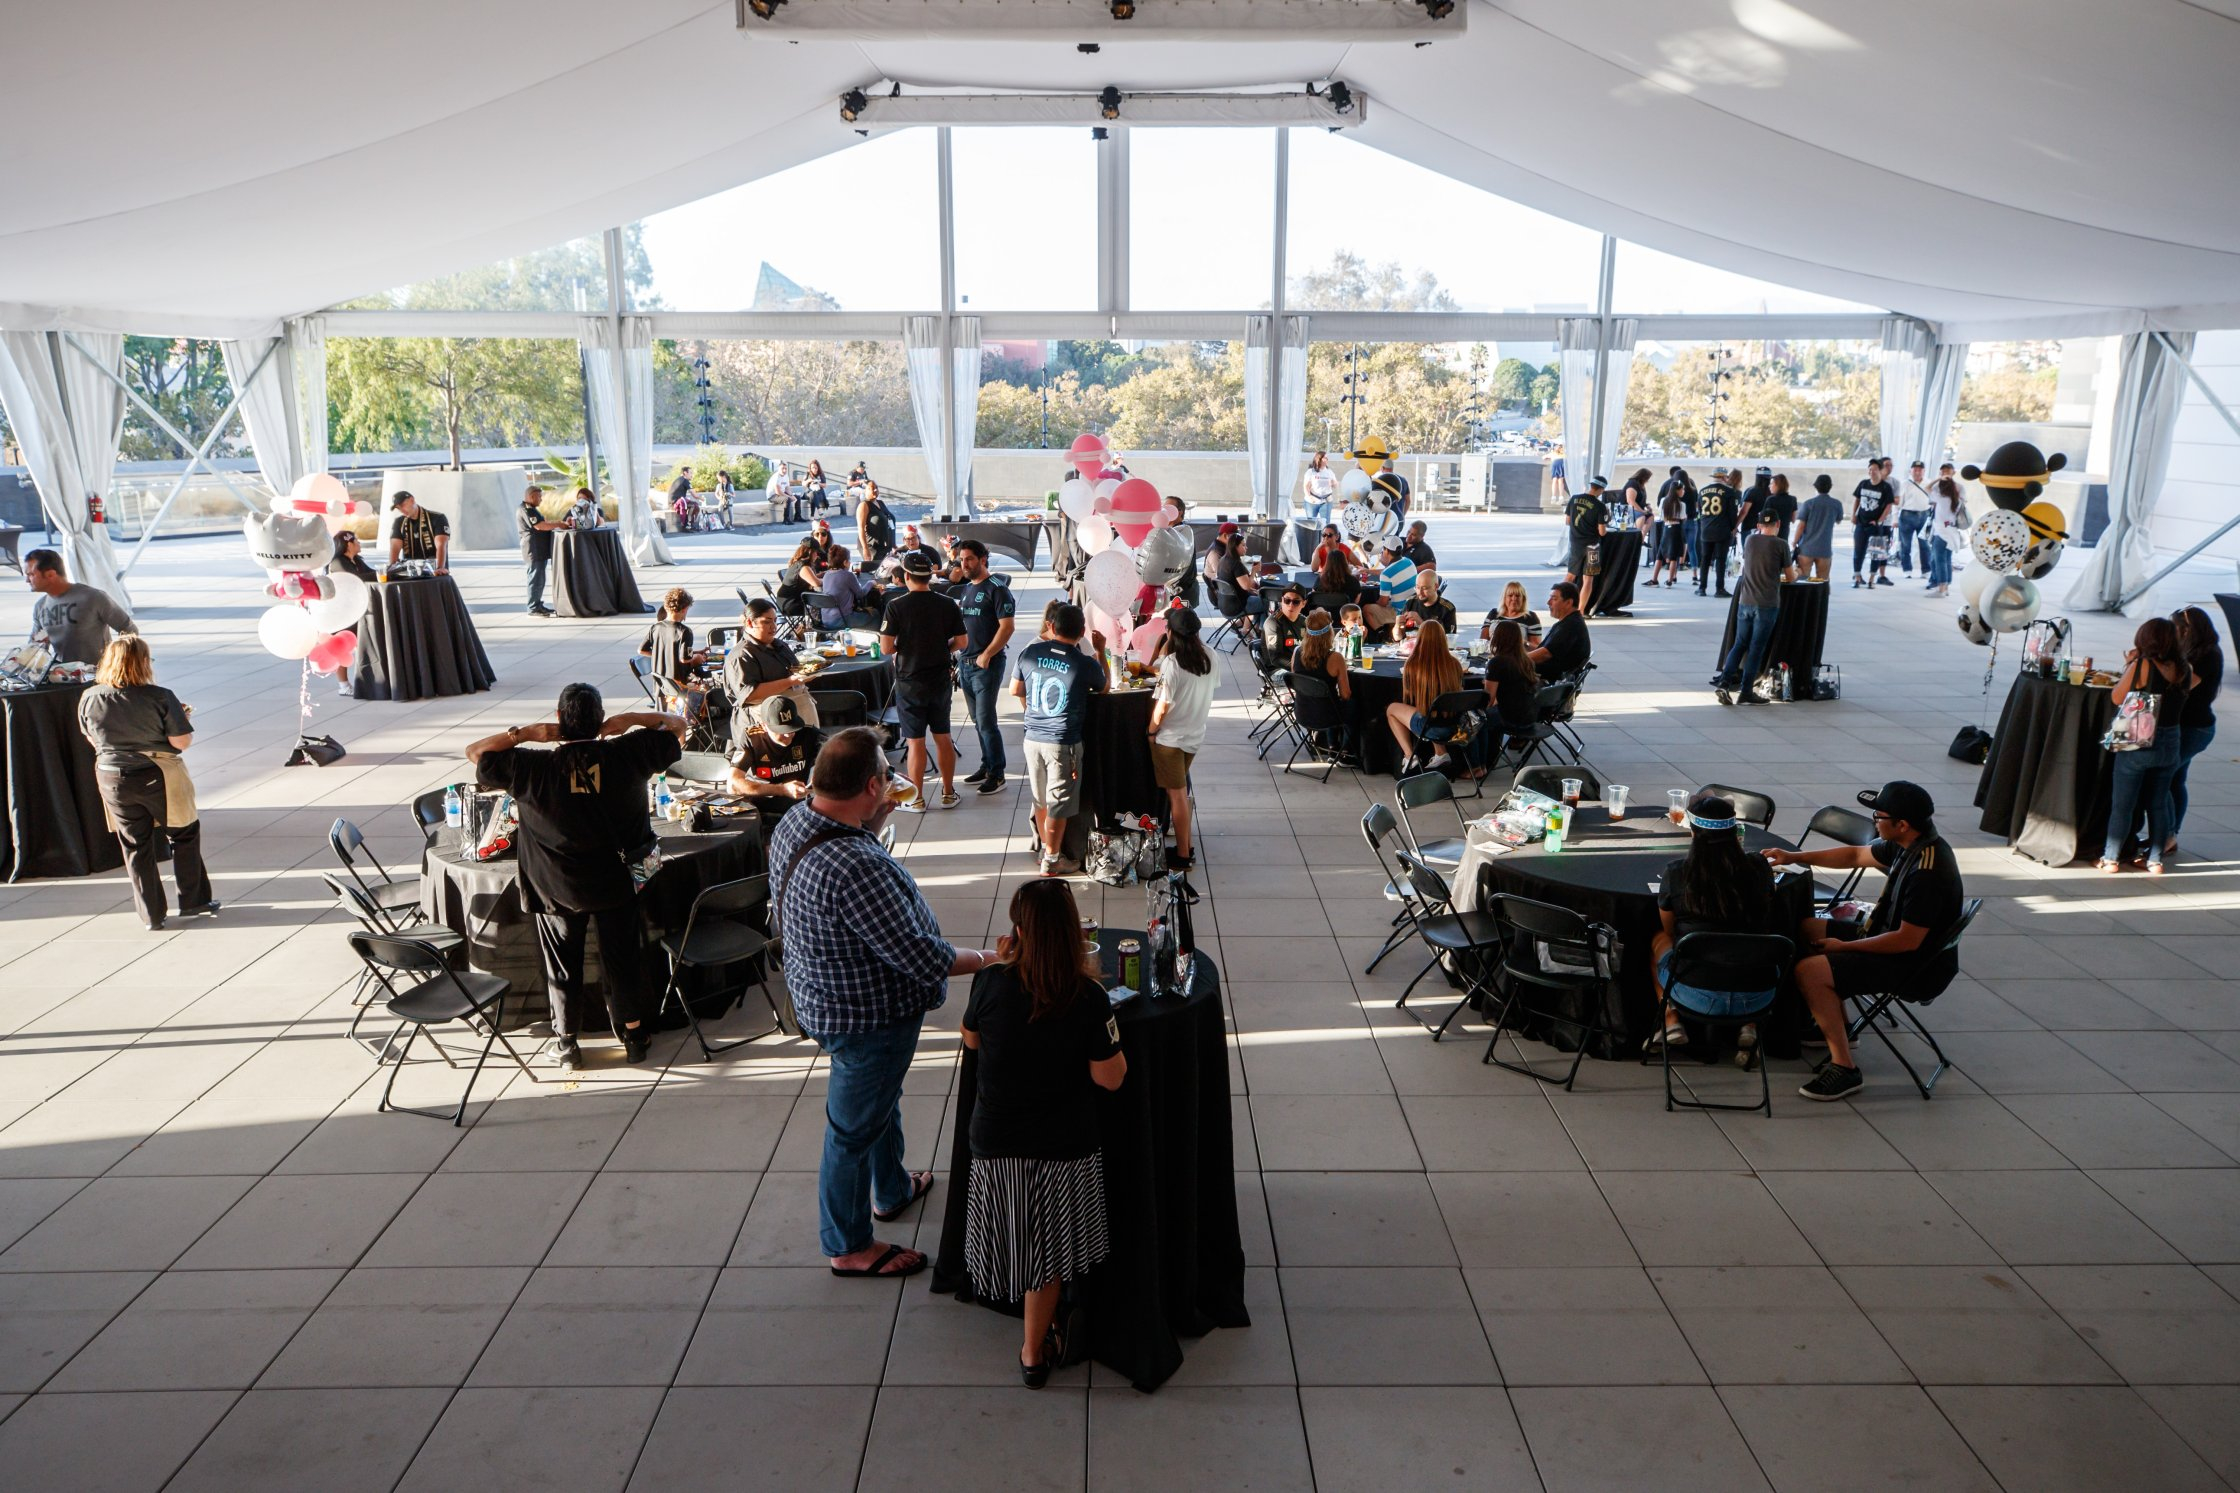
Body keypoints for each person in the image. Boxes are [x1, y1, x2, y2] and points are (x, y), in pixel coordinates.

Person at [769, 726, 1005, 1279]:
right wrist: (989, 959)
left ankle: (892, 1188)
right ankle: (848, 1244)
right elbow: (920, 956)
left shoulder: (798, 821)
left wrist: (871, 822)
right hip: (865, 1015)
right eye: (884, 775)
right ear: (872, 786)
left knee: (879, 1100)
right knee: (851, 1131)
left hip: (821, 994)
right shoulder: (856, 864)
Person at [959, 879, 1127, 1383]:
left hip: (996, 1144)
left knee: (1020, 1235)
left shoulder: (989, 983)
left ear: (1019, 930)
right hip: (1062, 1147)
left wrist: (1000, 965)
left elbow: (971, 1041)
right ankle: (1034, 1350)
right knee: (1049, 1251)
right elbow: (1111, 1079)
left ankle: (1022, 1315)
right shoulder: (1089, 996)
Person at [465, 685, 683, 1069]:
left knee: (562, 964)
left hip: (557, 885)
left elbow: (476, 753)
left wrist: (525, 734)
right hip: (618, 880)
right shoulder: (631, 752)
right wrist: (631, 720)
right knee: (623, 957)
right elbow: (679, 726)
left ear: (559, 719)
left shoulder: (530, 766)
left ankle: (567, 1043)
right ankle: (633, 1035)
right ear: (602, 720)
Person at [1766, 781, 1964, 1102]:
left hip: (1914, 965)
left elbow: (1906, 941)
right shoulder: (1908, 842)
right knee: (1805, 928)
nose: (1873, 820)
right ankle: (1835, 1025)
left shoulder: (1928, 872)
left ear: (1902, 824)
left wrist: (1844, 949)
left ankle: (1844, 1068)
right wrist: (1793, 855)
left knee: (1808, 971)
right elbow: (1856, 854)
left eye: (1878, 815)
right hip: (1886, 935)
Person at [77, 635, 216, 931]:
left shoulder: (90, 696)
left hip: (110, 775)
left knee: (135, 844)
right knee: (184, 833)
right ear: (142, 662)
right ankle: (194, 899)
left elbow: (92, 739)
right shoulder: (159, 696)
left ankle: (152, 915)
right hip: (156, 772)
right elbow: (181, 741)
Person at [1646, 792, 1787, 1057]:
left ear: (1694, 834)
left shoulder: (1677, 873)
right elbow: (1768, 910)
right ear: (1735, 832)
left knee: (1658, 941)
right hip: (1759, 994)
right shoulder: (1758, 867)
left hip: (1695, 994)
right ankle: (1749, 1025)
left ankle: (1671, 1021)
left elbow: (1670, 931)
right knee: (1752, 942)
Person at [1011, 603, 1105, 876]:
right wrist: (1100, 651)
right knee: (1059, 803)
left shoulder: (1030, 653)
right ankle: (1052, 860)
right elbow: (1104, 686)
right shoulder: (1083, 662)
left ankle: (1045, 849)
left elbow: (1016, 688)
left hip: (1033, 737)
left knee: (1040, 798)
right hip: (1062, 740)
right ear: (1082, 632)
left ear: (1051, 627)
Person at [2099, 616, 2192, 874]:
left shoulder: (2143, 665)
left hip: (2139, 741)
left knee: (2123, 804)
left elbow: (2118, 697)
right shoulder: (2185, 668)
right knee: (2159, 803)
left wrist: (2129, 664)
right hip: (2171, 740)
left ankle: (2111, 859)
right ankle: (2154, 860)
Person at [879, 552, 969, 810]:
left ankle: (916, 798)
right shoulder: (947, 604)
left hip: (909, 680)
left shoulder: (896, 606)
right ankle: (949, 793)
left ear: (906, 576)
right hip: (939, 677)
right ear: (930, 575)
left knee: (915, 741)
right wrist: (942, 648)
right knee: (943, 736)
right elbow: (962, 642)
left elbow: (886, 649)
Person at [1147, 608, 1216, 889]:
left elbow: (1161, 705)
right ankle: (1184, 844)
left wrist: (1151, 731)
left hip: (1170, 739)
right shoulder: (1211, 655)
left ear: (1171, 634)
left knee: (1177, 795)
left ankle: (1184, 854)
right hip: (1194, 735)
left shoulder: (1173, 664)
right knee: (1181, 792)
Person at [952, 540, 1017, 796]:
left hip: (986, 665)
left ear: (983, 559)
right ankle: (986, 764)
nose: (964, 564)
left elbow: (1007, 626)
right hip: (965, 664)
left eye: (969, 559)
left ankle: (997, 773)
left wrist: (987, 654)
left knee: (987, 721)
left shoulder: (997, 589)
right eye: (961, 559)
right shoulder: (966, 589)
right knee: (978, 722)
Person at [1715, 510, 1796, 706]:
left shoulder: (1750, 540)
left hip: (1746, 601)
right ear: (1777, 524)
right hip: (1767, 603)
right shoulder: (1781, 545)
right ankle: (1746, 691)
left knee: (1740, 643)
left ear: (1759, 525)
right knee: (1756, 648)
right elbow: (1791, 577)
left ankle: (1725, 683)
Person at [2167, 606, 2223, 859]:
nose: (2173, 634)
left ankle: (2166, 835)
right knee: (2176, 779)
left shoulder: (2207, 654)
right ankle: (2170, 833)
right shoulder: (2196, 650)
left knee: (2163, 778)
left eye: (2176, 629)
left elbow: (2185, 683)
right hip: (2189, 725)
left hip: (2194, 727)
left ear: (2188, 630)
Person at [23, 548, 133, 665]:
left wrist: (119, 663)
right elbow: (34, 649)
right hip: (61, 676)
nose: (26, 580)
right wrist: (37, 648)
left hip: (101, 675)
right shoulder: (40, 606)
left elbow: (129, 629)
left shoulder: (93, 597)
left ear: (51, 574)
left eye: (31, 574)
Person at [728, 690, 821, 823]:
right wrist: (782, 790)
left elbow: (839, 756)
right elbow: (733, 785)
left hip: (800, 807)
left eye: (792, 728)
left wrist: (818, 777)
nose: (789, 735)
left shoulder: (809, 734)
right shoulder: (752, 737)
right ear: (764, 726)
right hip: (763, 806)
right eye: (782, 731)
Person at [1385, 619, 1464, 777]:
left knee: (1392, 709)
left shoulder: (1413, 664)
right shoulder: (1455, 663)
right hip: (1454, 727)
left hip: (1427, 727)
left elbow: (1407, 697)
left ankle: (1409, 755)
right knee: (1435, 707)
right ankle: (1440, 752)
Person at [724, 598, 802, 744]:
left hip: (791, 716)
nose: (774, 627)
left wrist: (805, 673)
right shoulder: (741, 655)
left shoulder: (778, 644)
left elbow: (795, 668)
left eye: (775, 621)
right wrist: (791, 681)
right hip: (762, 726)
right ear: (749, 622)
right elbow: (749, 695)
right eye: (766, 622)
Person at [640, 586, 710, 719]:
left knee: (663, 719)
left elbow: (642, 650)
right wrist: (697, 657)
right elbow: (685, 659)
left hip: (661, 684)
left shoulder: (656, 627)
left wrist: (662, 656)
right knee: (707, 691)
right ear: (684, 609)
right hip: (679, 686)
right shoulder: (685, 631)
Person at [327, 533, 377, 695]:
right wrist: (380, 574)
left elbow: (370, 573)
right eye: (356, 540)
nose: (359, 542)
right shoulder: (338, 562)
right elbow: (355, 579)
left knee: (361, 644)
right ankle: (343, 685)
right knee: (342, 647)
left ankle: (368, 680)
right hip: (341, 612)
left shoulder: (357, 560)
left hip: (356, 609)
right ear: (348, 544)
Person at [1483, 619, 1539, 748]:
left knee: (1472, 718)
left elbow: (1488, 701)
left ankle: (1480, 761)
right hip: (1530, 716)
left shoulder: (1497, 662)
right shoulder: (1527, 660)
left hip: (1510, 719)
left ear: (1498, 638)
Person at [1565, 475, 1609, 614]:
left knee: (1570, 576)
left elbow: (1567, 521)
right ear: (1601, 489)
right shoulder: (1600, 506)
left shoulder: (1574, 499)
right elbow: (1602, 532)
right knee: (1588, 579)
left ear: (1591, 486)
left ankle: (1558, 602)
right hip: (1592, 547)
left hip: (1576, 543)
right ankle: (1581, 611)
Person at [1850, 458, 1897, 588]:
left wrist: (1879, 520)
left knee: (1876, 553)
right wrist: (1854, 514)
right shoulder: (1863, 483)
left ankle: (1872, 578)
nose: (1872, 472)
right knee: (1858, 550)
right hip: (1861, 522)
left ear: (1880, 471)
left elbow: (1888, 505)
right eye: (1870, 469)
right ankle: (1857, 577)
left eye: (1875, 469)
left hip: (1875, 525)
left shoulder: (1885, 487)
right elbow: (1857, 499)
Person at [1530, 581, 1591, 678]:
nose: (1548, 602)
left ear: (1568, 602)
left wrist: (1515, 660)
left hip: (1548, 678)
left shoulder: (1571, 626)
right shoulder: (1570, 621)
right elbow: (1547, 649)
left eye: (1554, 599)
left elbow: (1545, 654)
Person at [1694, 469, 1739, 597]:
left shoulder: (1702, 491)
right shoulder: (1730, 492)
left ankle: (1702, 588)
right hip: (1722, 529)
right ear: (1724, 477)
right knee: (1720, 560)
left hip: (1706, 529)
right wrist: (1732, 528)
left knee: (1705, 559)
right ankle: (1719, 589)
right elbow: (1732, 514)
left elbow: (1700, 510)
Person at [1291, 606, 1352, 701]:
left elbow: (1298, 684)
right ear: (1329, 632)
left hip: (1302, 712)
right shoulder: (1336, 658)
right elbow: (1345, 695)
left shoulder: (1297, 651)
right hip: (1328, 713)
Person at [815, 543, 881, 631]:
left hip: (826, 620)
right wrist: (871, 582)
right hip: (842, 619)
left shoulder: (827, 574)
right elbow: (860, 594)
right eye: (849, 560)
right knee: (875, 614)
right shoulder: (848, 575)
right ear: (845, 562)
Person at [1792, 474, 1843, 583]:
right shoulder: (1837, 504)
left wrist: (1794, 541)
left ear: (1816, 486)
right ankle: (1821, 600)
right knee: (1823, 581)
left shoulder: (1808, 504)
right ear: (1830, 487)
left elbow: (1801, 526)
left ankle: (1805, 600)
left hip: (1806, 548)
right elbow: (1838, 520)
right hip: (1825, 549)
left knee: (1803, 580)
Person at [518, 485, 560, 617]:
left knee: (539, 579)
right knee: (535, 578)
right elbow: (540, 526)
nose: (541, 499)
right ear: (531, 497)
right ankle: (533, 607)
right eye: (539, 496)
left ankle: (537, 604)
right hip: (533, 550)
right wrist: (559, 523)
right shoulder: (528, 509)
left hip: (538, 550)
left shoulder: (531, 509)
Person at [386, 491, 449, 571]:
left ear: (412, 500)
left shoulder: (438, 518)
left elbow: (441, 545)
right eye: (398, 508)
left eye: (402, 505)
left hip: (434, 573)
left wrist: (440, 568)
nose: (401, 510)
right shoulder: (399, 522)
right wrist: (392, 569)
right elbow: (394, 547)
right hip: (409, 573)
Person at [1897, 459, 1936, 577]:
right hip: (1906, 516)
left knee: (1924, 545)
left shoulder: (1929, 484)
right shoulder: (1904, 484)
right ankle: (1907, 569)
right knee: (1905, 545)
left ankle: (1926, 570)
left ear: (1924, 471)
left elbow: (1933, 501)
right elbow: (1898, 503)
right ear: (1911, 471)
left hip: (1924, 515)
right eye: (1915, 469)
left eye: (1920, 470)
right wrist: (1894, 519)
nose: (1917, 472)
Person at [1650, 470, 1689, 587]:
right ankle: (1669, 581)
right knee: (1673, 557)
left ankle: (1654, 579)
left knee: (1660, 555)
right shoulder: (1682, 504)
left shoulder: (1663, 501)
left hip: (1666, 528)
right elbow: (1683, 517)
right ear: (1678, 490)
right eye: (1682, 489)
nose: (1683, 491)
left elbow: (1661, 516)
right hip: (1676, 529)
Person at [1926, 473, 1963, 597]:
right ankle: (1946, 587)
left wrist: (1938, 478)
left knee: (1939, 561)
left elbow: (1927, 487)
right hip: (1951, 533)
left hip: (1941, 533)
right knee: (1946, 560)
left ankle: (1941, 588)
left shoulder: (1940, 498)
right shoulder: (1956, 500)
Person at [1480, 580, 1541, 647]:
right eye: (1510, 595)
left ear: (1523, 598)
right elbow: (1482, 641)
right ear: (1504, 598)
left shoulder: (1531, 617)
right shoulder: (1494, 613)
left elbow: (1537, 648)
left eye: (1518, 596)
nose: (1514, 599)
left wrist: (1522, 642)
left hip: (1518, 656)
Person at [857, 479, 897, 569]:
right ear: (865, 490)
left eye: (876, 488)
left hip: (886, 546)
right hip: (872, 547)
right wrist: (865, 548)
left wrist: (893, 544)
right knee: (875, 571)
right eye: (872, 488)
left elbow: (889, 522)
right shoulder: (864, 505)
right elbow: (861, 528)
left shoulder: (881, 503)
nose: (875, 490)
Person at [1264, 586, 1309, 656]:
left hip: (1300, 659)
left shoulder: (1305, 621)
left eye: (1296, 602)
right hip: (1280, 665)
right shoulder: (1273, 623)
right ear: (1282, 601)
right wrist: (1302, 665)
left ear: (1304, 603)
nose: (1290, 605)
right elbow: (1276, 658)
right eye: (1287, 601)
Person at [1302, 450, 1338, 527]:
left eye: (1327, 458)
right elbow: (1306, 486)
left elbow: (1336, 484)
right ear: (1319, 459)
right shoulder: (1311, 472)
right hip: (1312, 501)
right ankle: (1312, 538)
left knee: (1325, 524)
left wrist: (1332, 483)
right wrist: (1309, 497)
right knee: (1311, 524)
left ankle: (1324, 538)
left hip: (1326, 501)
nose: (1327, 459)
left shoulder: (1329, 472)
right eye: (1325, 458)